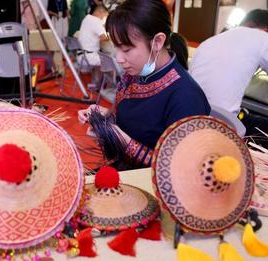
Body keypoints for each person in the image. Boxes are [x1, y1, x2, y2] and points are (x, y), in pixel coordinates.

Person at [78, 0, 210, 169]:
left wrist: (122, 140)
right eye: (116, 48)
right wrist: (104, 118)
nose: (119, 59)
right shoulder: (135, 74)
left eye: (126, 50)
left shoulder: (186, 97)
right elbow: (130, 121)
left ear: (157, 42)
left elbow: (176, 171)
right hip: (122, 170)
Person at [189, 9, 268, 115]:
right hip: (220, 121)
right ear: (266, 29)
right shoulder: (263, 37)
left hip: (188, 115)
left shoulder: (209, 41)